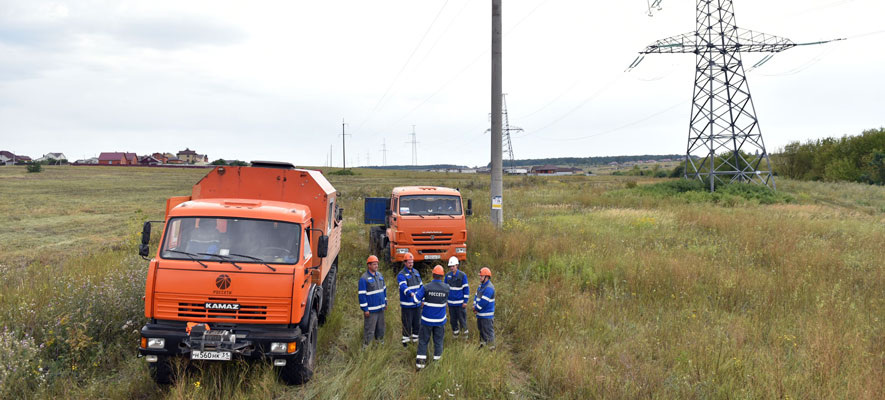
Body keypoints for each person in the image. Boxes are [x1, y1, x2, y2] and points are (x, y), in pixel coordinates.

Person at [413, 265, 449, 370]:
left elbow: (415, 300)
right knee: (438, 342)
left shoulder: (426, 287)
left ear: (433, 275)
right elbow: (448, 301)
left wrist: (423, 300)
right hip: (440, 321)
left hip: (426, 321)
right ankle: (437, 365)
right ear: (442, 276)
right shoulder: (447, 288)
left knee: (423, 341)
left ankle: (420, 365)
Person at [358, 255, 387, 347]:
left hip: (381, 309)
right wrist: (365, 309)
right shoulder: (364, 278)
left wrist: (385, 302)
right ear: (369, 265)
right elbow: (362, 295)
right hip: (371, 311)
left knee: (381, 329)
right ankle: (366, 348)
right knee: (369, 330)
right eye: (374, 264)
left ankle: (380, 346)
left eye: (377, 264)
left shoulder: (380, 276)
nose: (376, 266)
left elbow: (384, 290)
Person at [396, 252, 422, 347]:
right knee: (407, 324)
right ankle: (406, 344)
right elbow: (403, 286)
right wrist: (410, 293)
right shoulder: (401, 274)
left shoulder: (416, 272)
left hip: (417, 304)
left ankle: (415, 341)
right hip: (407, 305)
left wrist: (422, 299)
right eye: (409, 262)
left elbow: (421, 287)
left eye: (412, 262)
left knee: (417, 324)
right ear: (405, 262)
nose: (411, 264)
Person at [444, 256, 469, 337]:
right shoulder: (447, 276)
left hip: (460, 303)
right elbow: (445, 289)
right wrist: (445, 301)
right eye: (450, 266)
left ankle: (465, 335)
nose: (451, 268)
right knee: (453, 320)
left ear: (457, 265)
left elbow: (466, 288)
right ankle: (455, 334)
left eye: (453, 266)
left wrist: (465, 301)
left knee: (462, 320)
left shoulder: (462, 275)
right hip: (451, 303)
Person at [473, 267, 495, 348]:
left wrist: (476, 308)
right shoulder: (481, 286)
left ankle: (491, 349)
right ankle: (482, 346)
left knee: (488, 332)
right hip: (480, 314)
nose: (480, 277)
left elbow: (484, 301)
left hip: (487, 315)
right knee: (481, 332)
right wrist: (474, 305)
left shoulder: (489, 288)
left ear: (487, 277)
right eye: (480, 276)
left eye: (481, 276)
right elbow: (476, 296)